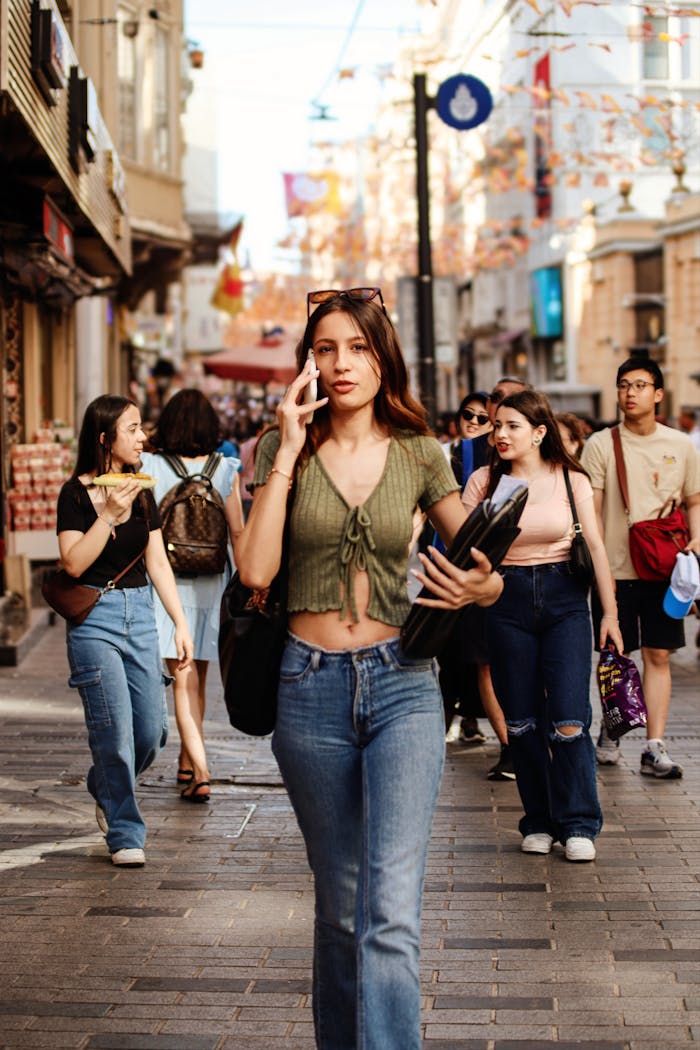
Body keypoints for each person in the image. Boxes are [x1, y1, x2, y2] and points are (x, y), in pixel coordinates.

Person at [234, 286, 504, 1050]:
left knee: (389, 909)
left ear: (384, 358)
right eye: (326, 349)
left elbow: (483, 563)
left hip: (403, 687)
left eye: (358, 347)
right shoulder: (276, 446)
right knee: (342, 904)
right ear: (308, 363)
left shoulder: (422, 452)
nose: (342, 362)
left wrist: (484, 584)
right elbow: (256, 570)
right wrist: (286, 451)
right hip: (307, 688)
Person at [463, 389, 624, 862]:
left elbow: (595, 548)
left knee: (570, 718)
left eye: (512, 426)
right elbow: (468, 550)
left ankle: (578, 824)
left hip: (565, 600)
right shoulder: (483, 483)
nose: (500, 434)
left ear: (538, 432)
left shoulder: (570, 479)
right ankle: (537, 819)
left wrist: (609, 615)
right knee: (523, 721)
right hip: (504, 599)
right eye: (496, 426)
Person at [56, 395, 193, 867]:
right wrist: (109, 515)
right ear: (104, 438)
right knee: (113, 733)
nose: (142, 437)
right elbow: (73, 562)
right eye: (132, 429)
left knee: (152, 732)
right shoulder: (73, 494)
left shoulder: (143, 489)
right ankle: (125, 832)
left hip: (140, 615)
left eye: (141, 428)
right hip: (94, 620)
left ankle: (104, 784)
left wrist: (179, 621)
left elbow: (157, 561)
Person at [581, 357, 700, 777]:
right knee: (616, 655)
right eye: (623, 385)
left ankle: (654, 745)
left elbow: (694, 500)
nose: (630, 393)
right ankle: (612, 729)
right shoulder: (600, 444)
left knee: (659, 654)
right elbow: (590, 509)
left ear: (658, 393)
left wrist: (697, 541)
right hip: (614, 571)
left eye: (640, 385)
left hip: (666, 572)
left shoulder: (681, 444)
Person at [141, 389, 244, 802]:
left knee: (182, 682)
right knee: (196, 677)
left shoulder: (151, 466)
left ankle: (199, 770)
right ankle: (188, 762)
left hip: (168, 585)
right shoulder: (226, 469)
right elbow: (238, 533)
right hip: (212, 582)